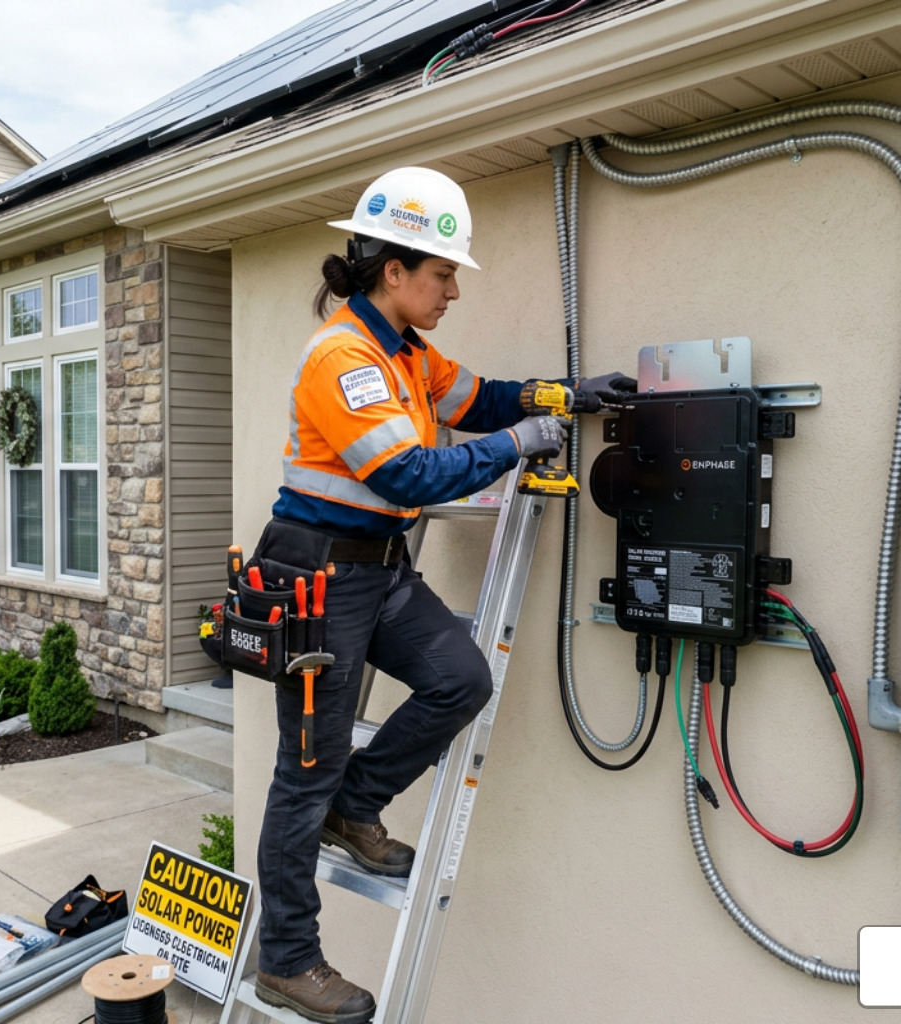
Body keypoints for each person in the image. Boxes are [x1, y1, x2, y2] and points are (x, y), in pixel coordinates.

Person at [250, 166, 634, 1024]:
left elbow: (481, 397)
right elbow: (407, 471)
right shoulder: (344, 359)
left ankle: (357, 806)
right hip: (318, 577)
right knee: (301, 773)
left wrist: (565, 397)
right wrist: (517, 441)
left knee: (461, 678)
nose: (454, 288)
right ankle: (287, 959)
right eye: (444, 273)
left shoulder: (407, 354)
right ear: (396, 270)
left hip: (378, 567)